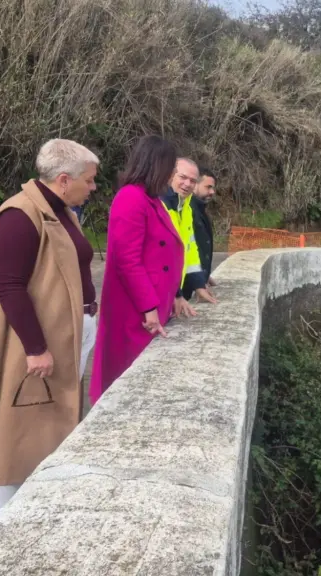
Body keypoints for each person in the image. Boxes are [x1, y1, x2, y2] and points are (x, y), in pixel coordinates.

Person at [0, 139, 99, 515]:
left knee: (50, 424)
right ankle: (6, 526)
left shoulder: (59, 210)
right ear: (63, 179)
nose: (93, 188)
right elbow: (7, 285)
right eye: (89, 181)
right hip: (35, 344)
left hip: (67, 335)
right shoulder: (20, 214)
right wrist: (35, 348)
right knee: (17, 433)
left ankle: (42, 507)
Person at [89, 136, 186, 405]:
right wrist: (149, 308)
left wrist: (175, 294)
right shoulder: (131, 198)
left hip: (152, 303)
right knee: (128, 376)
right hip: (135, 309)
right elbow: (126, 260)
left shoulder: (150, 198)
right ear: (158, 166)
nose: (171, 177)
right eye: (170, 169)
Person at [162, 158, 217, 305]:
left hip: (175, 293)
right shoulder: (160, 204)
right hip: (160, 297)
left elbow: (190, 249)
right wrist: (176, 295)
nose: (187, 184)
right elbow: (162, 258)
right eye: (183, 177)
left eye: (192, 180)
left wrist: (199, 282)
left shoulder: (185, 205)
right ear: (171, 175)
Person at [183, 166, 217, 300]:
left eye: (213, 188)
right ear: (195, 185)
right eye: (208, 187)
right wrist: (197, 281)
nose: (212, 192)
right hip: (185, 288)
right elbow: (188, 248)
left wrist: (204, 274)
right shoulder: (188, 209)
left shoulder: (199, 209)